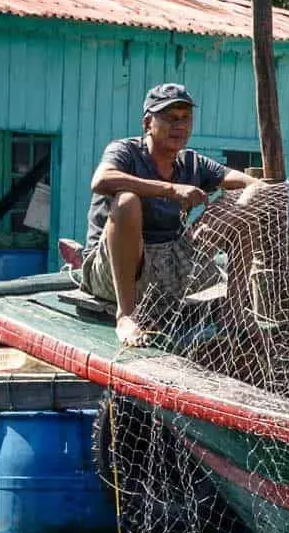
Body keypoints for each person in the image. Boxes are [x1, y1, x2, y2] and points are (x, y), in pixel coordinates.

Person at [81, 83, 261, 344]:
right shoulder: (125, 152)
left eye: (186, 118)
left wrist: (240, 205)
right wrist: (171, 190)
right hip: (114, 274)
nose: (179, 125)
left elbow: (252, 184)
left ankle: (233, 312)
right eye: (170, 118)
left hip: (170, 267)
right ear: (147, 123)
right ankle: (127, 315)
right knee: (126, 201)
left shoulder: (192, 162)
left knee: (243, 200)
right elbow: (101, 180)